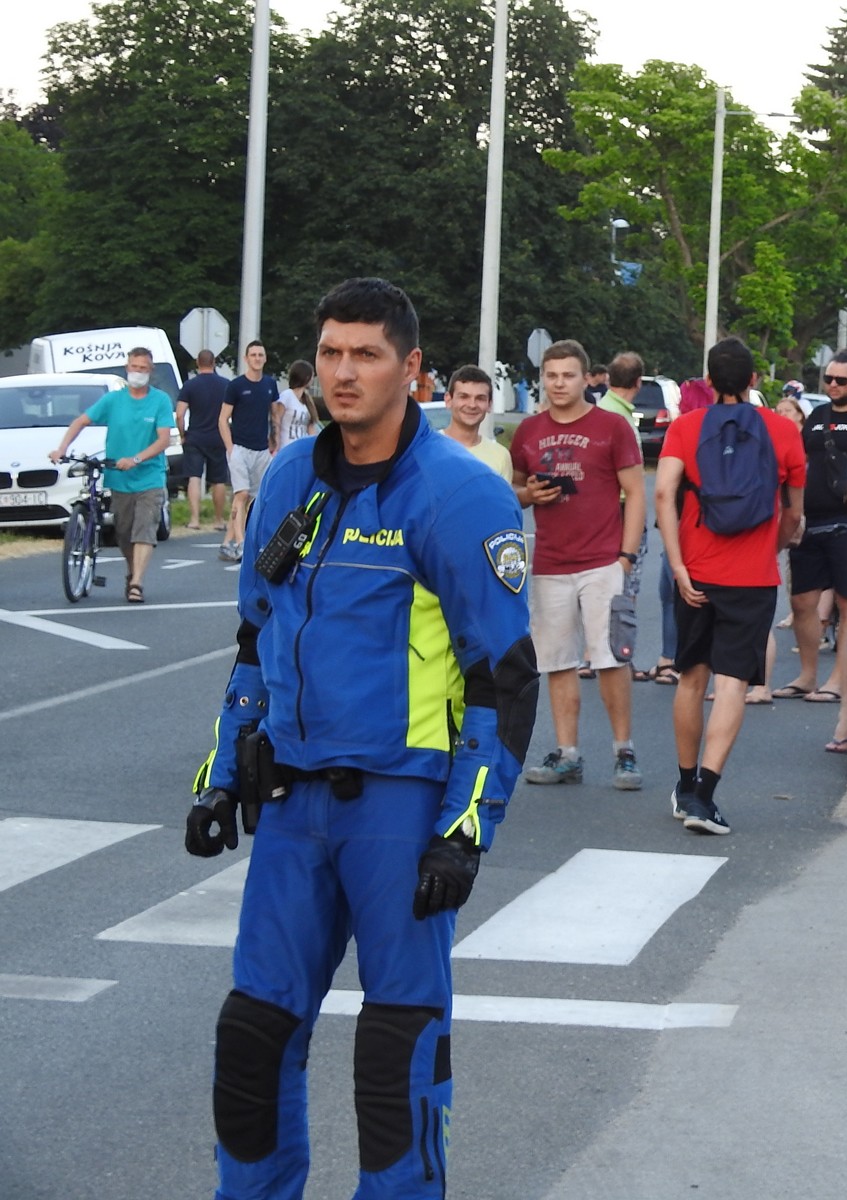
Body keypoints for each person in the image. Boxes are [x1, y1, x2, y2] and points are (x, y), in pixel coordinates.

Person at [183, 277, 537, 1198]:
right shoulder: (292, 477)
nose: (344, 373)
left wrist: (467, 827)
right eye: (332, 353)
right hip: (293, 803)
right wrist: (223, 770)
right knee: (253, 1035)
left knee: (396, 1047)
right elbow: (256, 639)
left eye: (367, 355)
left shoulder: (458, 496)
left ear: (411, 368)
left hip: (402, 809)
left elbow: (505, 678)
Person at [654, 337, 806, 835]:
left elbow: (663, 493)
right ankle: (704, 794)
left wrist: (677, 566)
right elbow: (794, 514)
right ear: (754, 380)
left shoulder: (685, 427)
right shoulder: (783, 431)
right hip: (753, 576)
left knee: (691, 677)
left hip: (695, 569)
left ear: (708, 380)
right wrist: (776, 546)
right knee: (732, 683)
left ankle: (682, 784)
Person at [511, 339, 646, 790]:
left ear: (587, 378)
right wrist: (531, 494)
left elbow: (636, 493)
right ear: (542, 379)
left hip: (602, 560)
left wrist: (626, 557)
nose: (559, 383)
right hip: (550, 562)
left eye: (568, 375)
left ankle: (624, 751)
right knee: (557, 662)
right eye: (551, 376)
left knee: (609, 658)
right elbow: (513, 490)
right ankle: (568, 754)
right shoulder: (528, 431)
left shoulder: (612, 426)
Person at [775, 348, 847, 754]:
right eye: (828, 379)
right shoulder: (817, 418)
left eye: (841, 380)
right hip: (810, 521)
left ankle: (838, 679)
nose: (832, 385)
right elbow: (799, 463)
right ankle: (807, 674)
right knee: (801, 601)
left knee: (845, 605)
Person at [48, 346, 174, 603]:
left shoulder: (159, 400)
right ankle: (132, 572)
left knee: (144, 530)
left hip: (149, 476)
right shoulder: (113, 400)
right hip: (118, 478)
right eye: (134, 367)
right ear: (127, 368)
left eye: (143, 368)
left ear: (150, 371)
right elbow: (81, 421)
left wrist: (137, 458)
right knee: (124, 533)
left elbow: (163, 440)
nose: (137, 372)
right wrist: (62, 448)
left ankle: (137, 582)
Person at [219, 339, 278, 562]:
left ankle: (230, 541)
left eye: (260, 355)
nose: (257, 359)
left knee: (259, 497)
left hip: (262, 450)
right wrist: (230, 448)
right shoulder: (236, 386)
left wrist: (275, 442)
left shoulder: (270, 385)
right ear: (246, 359)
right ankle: (242, 543)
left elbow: (274, 415)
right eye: (253, 355)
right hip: (240, 448)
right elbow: (223, 419)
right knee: (241, 494)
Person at [175, 348, 231, 531]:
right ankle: (218, 519)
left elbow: (180, 414)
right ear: (213, 363)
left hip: (195, 437)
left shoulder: (190, 385)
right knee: (219, 480)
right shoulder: (225, 385)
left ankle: (194, 519)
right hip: (218, 437)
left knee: (194, 477)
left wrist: (183, 435)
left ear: (198, 363)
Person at [439, 365, 512, 483]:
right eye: (464, 397)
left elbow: (501, 501)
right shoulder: (427, 449)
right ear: (448, 400)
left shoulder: (500, 456)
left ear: (489, 404)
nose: (472, 405)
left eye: (480, 398)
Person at [272, 359, 318, 451]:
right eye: (311, 375)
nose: (313, 379)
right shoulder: (287, 395)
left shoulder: (307, 400)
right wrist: (275, 445)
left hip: (301, 448)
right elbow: (277, 421)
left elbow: (311, 428)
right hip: (286, 447)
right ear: (305, 376)